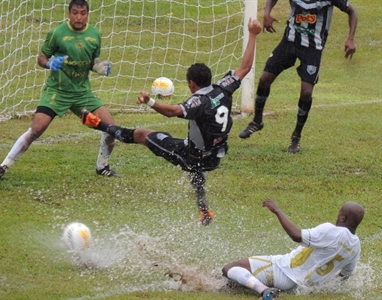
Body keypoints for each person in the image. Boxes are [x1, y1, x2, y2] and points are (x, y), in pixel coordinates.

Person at [80, 18, 262, 225]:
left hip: (194, 156)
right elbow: (246, 67)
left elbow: (172, 111)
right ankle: (203, 209)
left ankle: (98, 124)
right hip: (216, 156)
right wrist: (253, 34)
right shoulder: (223, 88)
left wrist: (150, 101)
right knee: (195, 164)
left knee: (142, 135)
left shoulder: (198, 102)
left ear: (192, 84)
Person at [0, 0, 118, 180]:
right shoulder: (57, 33)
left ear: (88, 14)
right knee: (37, 129)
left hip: (82, 93)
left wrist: (98, 67)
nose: (79, 17)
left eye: (83, 13)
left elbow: (92, 61)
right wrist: (50, 63)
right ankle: (3, 167)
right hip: (57, 91)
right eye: (75, 13)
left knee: (111, 127)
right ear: (69, 13)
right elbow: (41, 58)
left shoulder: (95, 35)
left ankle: (102, 166)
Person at [238, 0, 358, 153]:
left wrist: (351, 38)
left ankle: (296, 136)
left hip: (313, 48)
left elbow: (352, 11)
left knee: (306, 92)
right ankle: (257, 121)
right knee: (264, 79)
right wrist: (267, 13)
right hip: (289, 42)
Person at [222, 199, 365, 299]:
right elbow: (345, 275)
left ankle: (265, 291)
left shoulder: (333, 231)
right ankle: (260, 287)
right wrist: (320, 287)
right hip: (298, 288)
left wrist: (277, 211)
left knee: (230, 268)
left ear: (342, 217)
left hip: (283, 270)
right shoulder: (356, 247)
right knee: (231, 283)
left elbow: (296, 236)